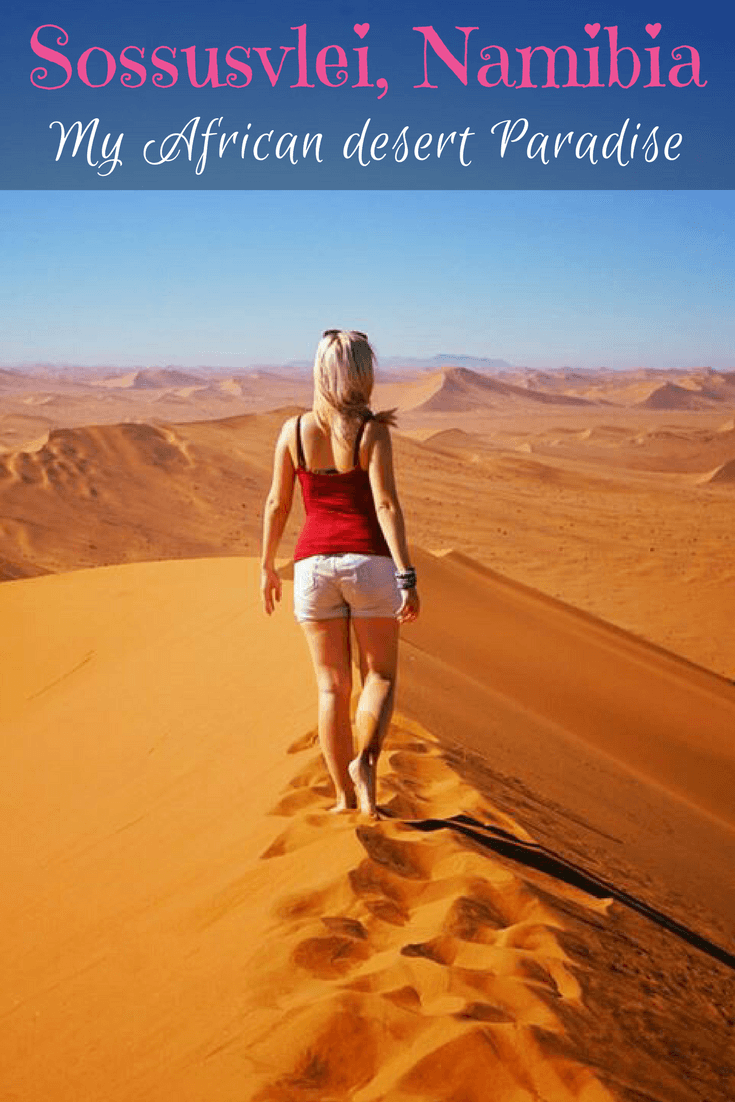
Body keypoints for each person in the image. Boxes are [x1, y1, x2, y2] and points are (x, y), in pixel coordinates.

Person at [260, 329, 420, 816]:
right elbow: (386, 503)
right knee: (380, 675)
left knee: (331, 687)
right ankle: (366, 762)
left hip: (311, 568)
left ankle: (343, 799)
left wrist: (266, 565)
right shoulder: (372, 432)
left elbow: (276, 503)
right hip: (368, 561)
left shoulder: (292, 431)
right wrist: (406, 574)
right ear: (361, 374)